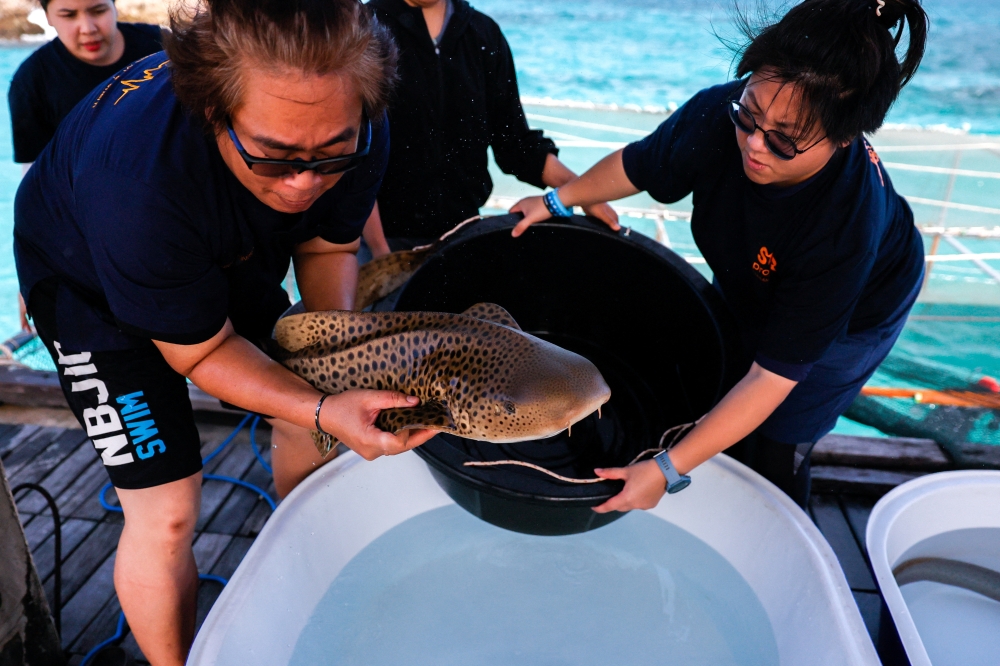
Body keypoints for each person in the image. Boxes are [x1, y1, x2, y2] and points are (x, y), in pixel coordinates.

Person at [13, 1, 435, 663]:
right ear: (214, 113)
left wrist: (334, 376)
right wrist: (325, 404)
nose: (304, 183)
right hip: (87, 283)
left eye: (331, 155)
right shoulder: (135, 185)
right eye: (274, 156)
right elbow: (202, 351)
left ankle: (301, 552)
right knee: (169, 510)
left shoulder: (361, 130)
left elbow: (326, 248)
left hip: (212, 243)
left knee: (307, 402)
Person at [510, 0, 929, 510]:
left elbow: (770, 379)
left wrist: (665, 470)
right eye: (748, 116)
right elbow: (640, 164)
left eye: (784, 140)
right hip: (760, 272)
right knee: (726, 366)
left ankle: (782, 526)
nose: (753, 144)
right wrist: (555, 200)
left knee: (780, 434)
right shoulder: (718, 115)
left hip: (858, 313)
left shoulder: (844, 229)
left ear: (843, 138)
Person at [361, 0, 618, 256]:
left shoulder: (483, 33)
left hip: (463, 235)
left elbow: (516, 144)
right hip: (377, 238)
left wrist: (580, 191)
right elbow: (354, 156)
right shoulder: (366, 28)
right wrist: (379, 248)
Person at [7, 0, 164, 170]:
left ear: (114, 6)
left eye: (98, 11)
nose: (88, 29)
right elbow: (34, 175)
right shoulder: (30, 82)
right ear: (48, 17)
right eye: (69, 15)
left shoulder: (164, 49)